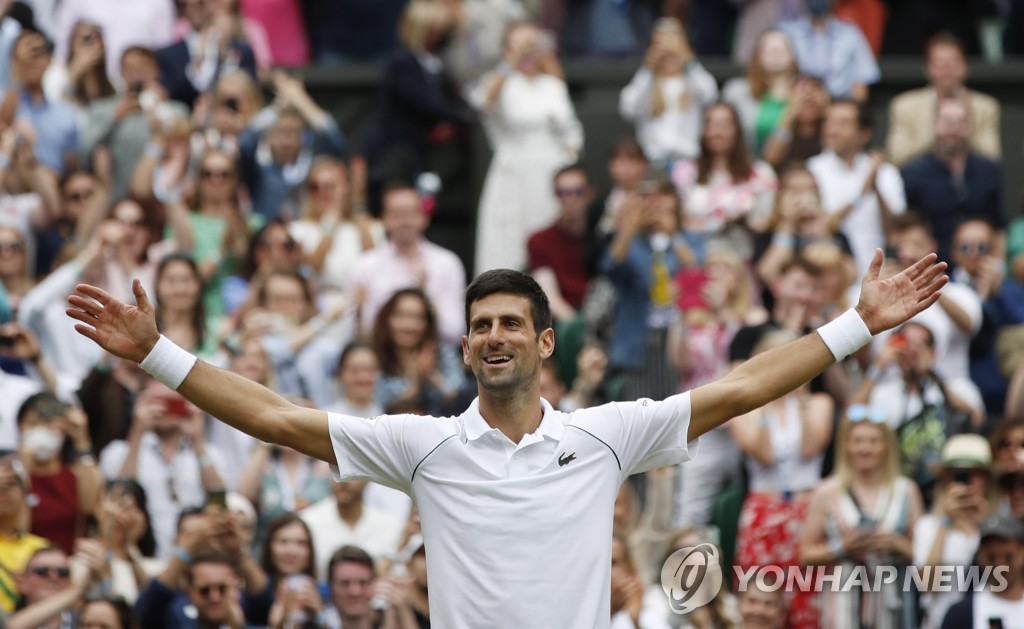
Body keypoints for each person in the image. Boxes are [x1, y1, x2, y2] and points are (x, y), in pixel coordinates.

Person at [66, 243, 948, 627]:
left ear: (543, 340)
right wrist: (158, 353)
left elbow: (743, 383)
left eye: (510, 324)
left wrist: (856, 326)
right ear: (465, 344)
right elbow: (278, 417)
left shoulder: (610, 433)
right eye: (480, 324)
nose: (494, 335)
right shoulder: (423, 445)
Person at [470, 21, 583, 274]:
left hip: (549, 175)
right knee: (508, 245)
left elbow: (571, 131)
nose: (527, 50)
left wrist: (568, 156)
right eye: (520, 44)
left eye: (532, 44)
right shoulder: (499, 82)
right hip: (513, 177)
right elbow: (481, 103)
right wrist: (511, 61)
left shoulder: (552, 85)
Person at [800, 405, 923, 628]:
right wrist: (841, 548)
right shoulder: (827, 491)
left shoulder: (906, 491)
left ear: (886, 446)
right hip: (843, 600)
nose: (865, 449)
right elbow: (805, 555)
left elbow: (923, 554)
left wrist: (898, 545)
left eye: (874, 441)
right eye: (858, 441)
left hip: (892, 600)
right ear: (846, 445)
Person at [348, 182, 466, 345]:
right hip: (380, 355)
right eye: (396, 214)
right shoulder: (365, 265)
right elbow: (357, 330)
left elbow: (455, 331)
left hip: (432, 356)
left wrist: (425, 295)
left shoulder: (447, 263)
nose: (404, 221)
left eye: (411, 213)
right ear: (384, 219)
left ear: (424, 217)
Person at [900, 98, 1004, 266]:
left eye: (960, 123)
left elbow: (998, 226)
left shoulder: (988, 170)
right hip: (931, 267)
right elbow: (908, 229)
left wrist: (998, 266)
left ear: (971, 128)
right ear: (934, 125)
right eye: (947, 122)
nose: (953, 130)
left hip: (979, 265)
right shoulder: (913, 173)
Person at [807, 99, 906, 277]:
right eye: (828, 122)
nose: (832, 130)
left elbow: (896, 231)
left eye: (843, 123)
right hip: (828, 278)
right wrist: (860, 195)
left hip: (878, 275)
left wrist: (876, 188)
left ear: (864, 133)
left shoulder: (885, 173)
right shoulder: (811, 170)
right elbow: (822, 226)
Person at [914, 434, 994, 629]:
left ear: (986, 479)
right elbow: (928, 586)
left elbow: (1006, 577)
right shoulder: (928, 526)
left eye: (973, 474)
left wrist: (985, 526)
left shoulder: (998, 525)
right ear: (944, 480)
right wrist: (945, 523)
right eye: (958, 475)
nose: (967, 483)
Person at [886, 32, 1001, 167]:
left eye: (953, 63)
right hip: (918, 183)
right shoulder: (904, 106)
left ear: (966, 67)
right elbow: (896, 157)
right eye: (940, 63)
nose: (947, 70)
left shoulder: (985, 107)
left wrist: (964, 130)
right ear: (927, 68)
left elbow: (993, 157)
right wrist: (935, 134)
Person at [619, 17, 718, 163]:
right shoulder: (646, 82)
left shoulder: (692, 80)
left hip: (689, 161)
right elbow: (628, 108)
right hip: (652, 162)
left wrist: (688, 60)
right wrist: (648, 67)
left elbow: (710, 95)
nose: (668, 52)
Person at [527, 164, 593, 325]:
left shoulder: (601, 237)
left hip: (602, 318)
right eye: (562, 192)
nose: (569, 199)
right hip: (565, 324)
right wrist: (578, 328)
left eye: (577, 192)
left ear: (590, 193)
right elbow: (550, 298)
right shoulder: (540, 240)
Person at [299, 479, 404, 581]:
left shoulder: (392, 527)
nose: (343, 481)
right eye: (336, 472)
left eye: (353, 474)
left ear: (368, 478)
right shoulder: (306, 522)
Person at [777, 0, 879, 101]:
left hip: (837, 104)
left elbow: (861, 82)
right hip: (794, 102)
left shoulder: (850, 33)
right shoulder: (786, 31)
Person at [722, 29, 799, 156]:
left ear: (793, 55)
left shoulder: (805, 92)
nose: (775, 53)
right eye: (768, 49)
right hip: (746, 165)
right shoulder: (736, 91)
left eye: (782, 48)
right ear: (757, 56)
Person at [940, 514, 1024, 628]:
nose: (1000, 566)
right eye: (992, 558)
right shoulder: (961, 614)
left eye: (1008, 557)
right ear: (980, 555)